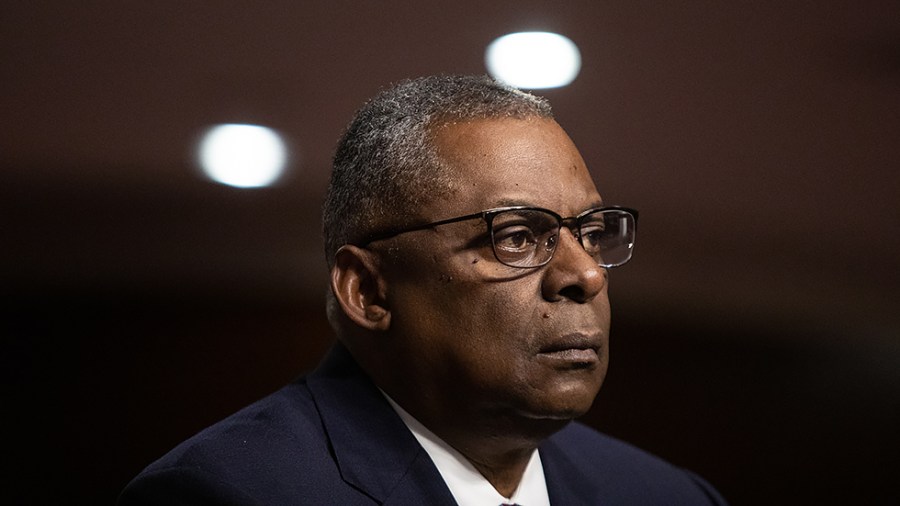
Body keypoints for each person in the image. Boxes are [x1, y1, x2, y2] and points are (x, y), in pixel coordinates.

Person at [120, 75, 727, 505]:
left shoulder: (666, 494)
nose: (586, 275)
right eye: (515, 236)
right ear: (368, 290)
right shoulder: (230, 493)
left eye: (591, 234)